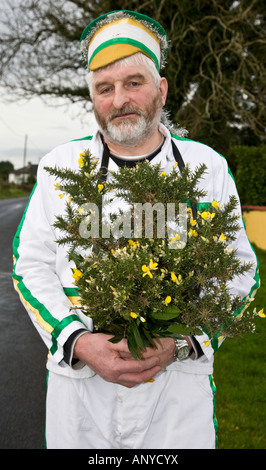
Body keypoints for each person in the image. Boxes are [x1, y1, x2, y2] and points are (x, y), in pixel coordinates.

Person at [12, 10, 259, 449]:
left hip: (177, 391)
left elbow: (241, 272)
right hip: (81, 391)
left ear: (161, 89)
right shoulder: (59, 169)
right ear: (93, 100)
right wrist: (79, 341)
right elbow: (30, 265)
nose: (119, 99)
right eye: (104, 89)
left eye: (133, 83)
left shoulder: (208, 168)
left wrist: (181, 343)